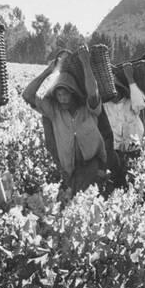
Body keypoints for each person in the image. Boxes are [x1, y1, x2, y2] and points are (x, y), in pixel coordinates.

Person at [22, 45, 106, 195]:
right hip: (70, 172)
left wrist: (86, 62)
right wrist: (48, 71)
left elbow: (93, 93)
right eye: (59, 95)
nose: (62, 99)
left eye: (65, 94)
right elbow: (27, 95)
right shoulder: (54, 112)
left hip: (93, 168)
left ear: (74, 93)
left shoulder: (89, 109)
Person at [102, 63, 145, 187]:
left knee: (132, 181)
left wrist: (130, 78)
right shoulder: (106, 105)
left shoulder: (131, 102)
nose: (114, 92)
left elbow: (140, 104)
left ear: (122, 89)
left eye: (117, 88)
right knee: (115, 182)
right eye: (112, 89)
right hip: (114, 151)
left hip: (133, 149)